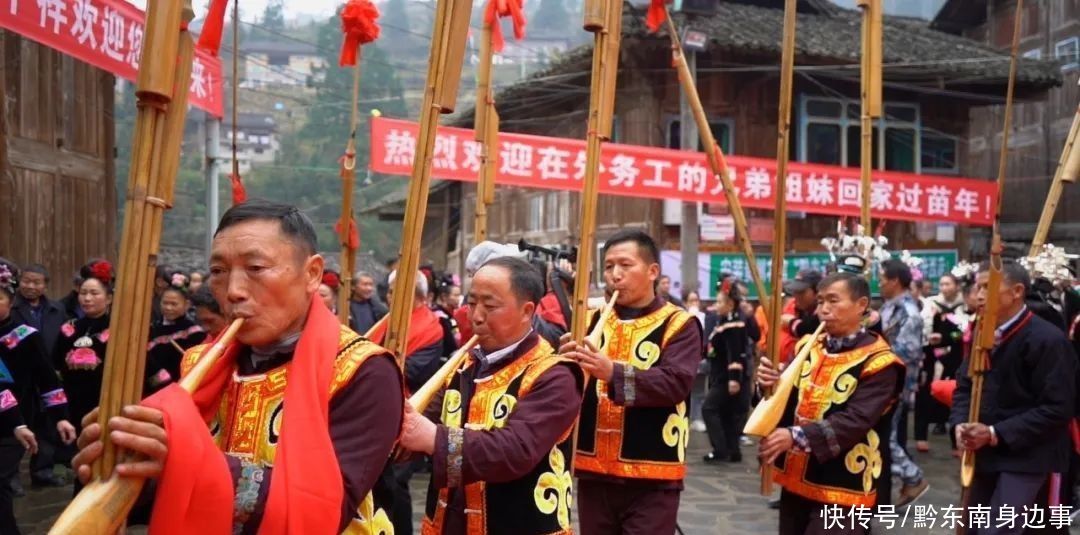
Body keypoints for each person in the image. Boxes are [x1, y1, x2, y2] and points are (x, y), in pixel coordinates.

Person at [72, 200, 404, 533]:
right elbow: (172, 488)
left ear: (312, 274)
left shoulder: (364, 372)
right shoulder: (199, 363)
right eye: (218, 272)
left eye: (256, 268)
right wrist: (128, 468)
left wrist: (187, 462)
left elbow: (329, 510)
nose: (233, 291)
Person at [399, 256, 584, 535]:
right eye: (472, 303)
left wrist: (434, 438)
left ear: (527, 311)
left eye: (490, 305)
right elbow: (419, 424)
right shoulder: (462, 366)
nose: (476, 316)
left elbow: (516, 450)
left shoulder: (555, 375)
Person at [562, 229, 703, 535]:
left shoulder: (679, 324)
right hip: (593, 469)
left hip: (653, 471)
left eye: (625, 266)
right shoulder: (590, 319)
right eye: (609, 266)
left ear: (653, 271)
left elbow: (675, 383)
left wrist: (612, 372)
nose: (615, 275)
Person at [757, 271, 905, 535]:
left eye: (833, 301)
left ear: (861, 305)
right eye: (821, 301)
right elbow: (786, 398)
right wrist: (770, 384)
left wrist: (796, 436)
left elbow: (857, 419)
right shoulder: (808, 346)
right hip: (798, 475)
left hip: (844, 482)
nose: (823, 309)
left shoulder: (881, 362)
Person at [950, 262, 1076, 534]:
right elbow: (964, 387)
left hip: (1029, 456)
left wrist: (995, 432)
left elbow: (1058, 408)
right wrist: (960, 423)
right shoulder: (982, 334)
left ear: (1017, 291)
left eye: (988, 287)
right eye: (977, 287)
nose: (979, 295)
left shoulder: (1048, 340)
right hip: (984, 454)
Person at [0, 259, 77, 534]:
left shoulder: (25, 336)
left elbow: (47, 379)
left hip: (15, 422)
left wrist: (61, 418)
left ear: (10, 302)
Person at [11, 263, 70, 486]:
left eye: (37, 282)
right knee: (17, 422)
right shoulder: (11, 308)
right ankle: (11, 476)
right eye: (26, 281)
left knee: (47, 425)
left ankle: (42, 470)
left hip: (47, 375)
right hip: (19, 375)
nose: (30, 286)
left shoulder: (57, 310)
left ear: (45, 285)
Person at [878, 258, 929, 505]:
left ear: (895, 281)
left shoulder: (909, 313)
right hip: (883, 381)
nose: (879, 284)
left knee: (884, 435)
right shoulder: (890, 307)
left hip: (894, 383)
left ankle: (913, 477)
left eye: (882, 279)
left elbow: (906, 353)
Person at [702, 276, 759, 463]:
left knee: (709, 408)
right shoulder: (725, 321)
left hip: (728, 377)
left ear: (730, 303)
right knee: (728, 412)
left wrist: (734, 379)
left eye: (720, 302)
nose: (716, 305)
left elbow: (736, 353)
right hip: (723, 375)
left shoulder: (734, 324)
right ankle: (732, 450)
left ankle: (721, 449)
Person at [915, 273, 967, 453]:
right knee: (925, 393)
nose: (944, 287)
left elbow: (963, 333)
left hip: (957, 355)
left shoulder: (964, 306)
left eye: (948, 284)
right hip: (931, 353)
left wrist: (946, 337)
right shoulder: (931, 304)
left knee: (956, 396)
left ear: (957, 286)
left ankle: (956, 441)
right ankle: (921, 436)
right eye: (942, 284)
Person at [144, 279, 207, 395]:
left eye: (174, 304)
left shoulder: (194, 333)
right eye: (165, 303)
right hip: (152, 388)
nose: (168, 308)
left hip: (181, 388)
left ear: (186, 305)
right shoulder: (151, 329)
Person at [779, 269, 823, 364]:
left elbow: (809, 328)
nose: (796, 296)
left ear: (817, 292)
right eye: (795, 291)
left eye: (801, 292)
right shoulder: (796, 308)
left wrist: (791, 323)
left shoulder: (823, 311)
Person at [349, 270, 388, 335]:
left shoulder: (379, 309)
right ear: (353, 286)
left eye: (371, 285)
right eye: (365, 284)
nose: (369, 288)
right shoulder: (344, 305)